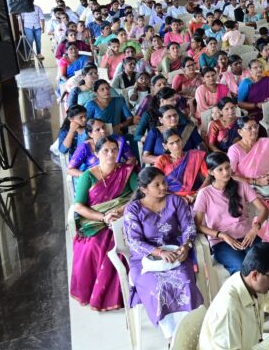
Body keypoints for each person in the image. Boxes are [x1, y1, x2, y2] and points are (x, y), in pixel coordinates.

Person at [122, 166, 203, 339]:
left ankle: (188, 331)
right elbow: (133, 241)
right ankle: (171, 336)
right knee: (158, 288)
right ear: (144, 189)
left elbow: (189, 226)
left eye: (164, 182)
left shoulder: (175, 201)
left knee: (186, 282)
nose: (163, 187)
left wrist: (186, 246)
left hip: (175, 253)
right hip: (144, 259)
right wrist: (158, 252)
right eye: (157, 185)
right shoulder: (133, 210)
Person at [71, 138, 137, 311]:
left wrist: (121, 211)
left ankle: (130, 291)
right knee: (94, 246)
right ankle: (101, 294)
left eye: (114, 150)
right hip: (97, 220)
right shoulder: (87, 176)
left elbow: (140, 195)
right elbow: (79, 206)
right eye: (106, 150)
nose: (111, 154)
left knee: (128, 241)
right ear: (96, 153)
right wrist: (104, 217)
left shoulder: (127, 171)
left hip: (125, 217)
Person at [193, 152, 269, 274]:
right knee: (241, 268)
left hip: (248, 236)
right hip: (221, 242)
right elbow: (197, 226)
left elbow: (264, 209)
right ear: (211, 172)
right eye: (220, 169)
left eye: (227, 167)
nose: (226, 172)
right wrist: (222, 235)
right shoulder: (205, 194)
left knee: (260, 264)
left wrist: (255, 228)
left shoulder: (241, 186)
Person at [228, 117, 269, 192]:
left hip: (268, 184)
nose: (254, 130)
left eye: (255, 126)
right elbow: (230, 175)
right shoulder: (234, 150)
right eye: (249, 128)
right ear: (240, 132)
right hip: (245, 187)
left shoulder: (267, 143)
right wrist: (256, 181)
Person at [153, 130, 208, 200]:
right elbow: (156, 182)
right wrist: (178, 198)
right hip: (171, 197)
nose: (176, 145)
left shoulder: (195, 155)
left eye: (178, 141)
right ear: (165, 146)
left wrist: (197, 194)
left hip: (195, 196)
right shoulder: (161, 160)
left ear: (182, 140)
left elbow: (208, 177)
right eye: (171, 143)